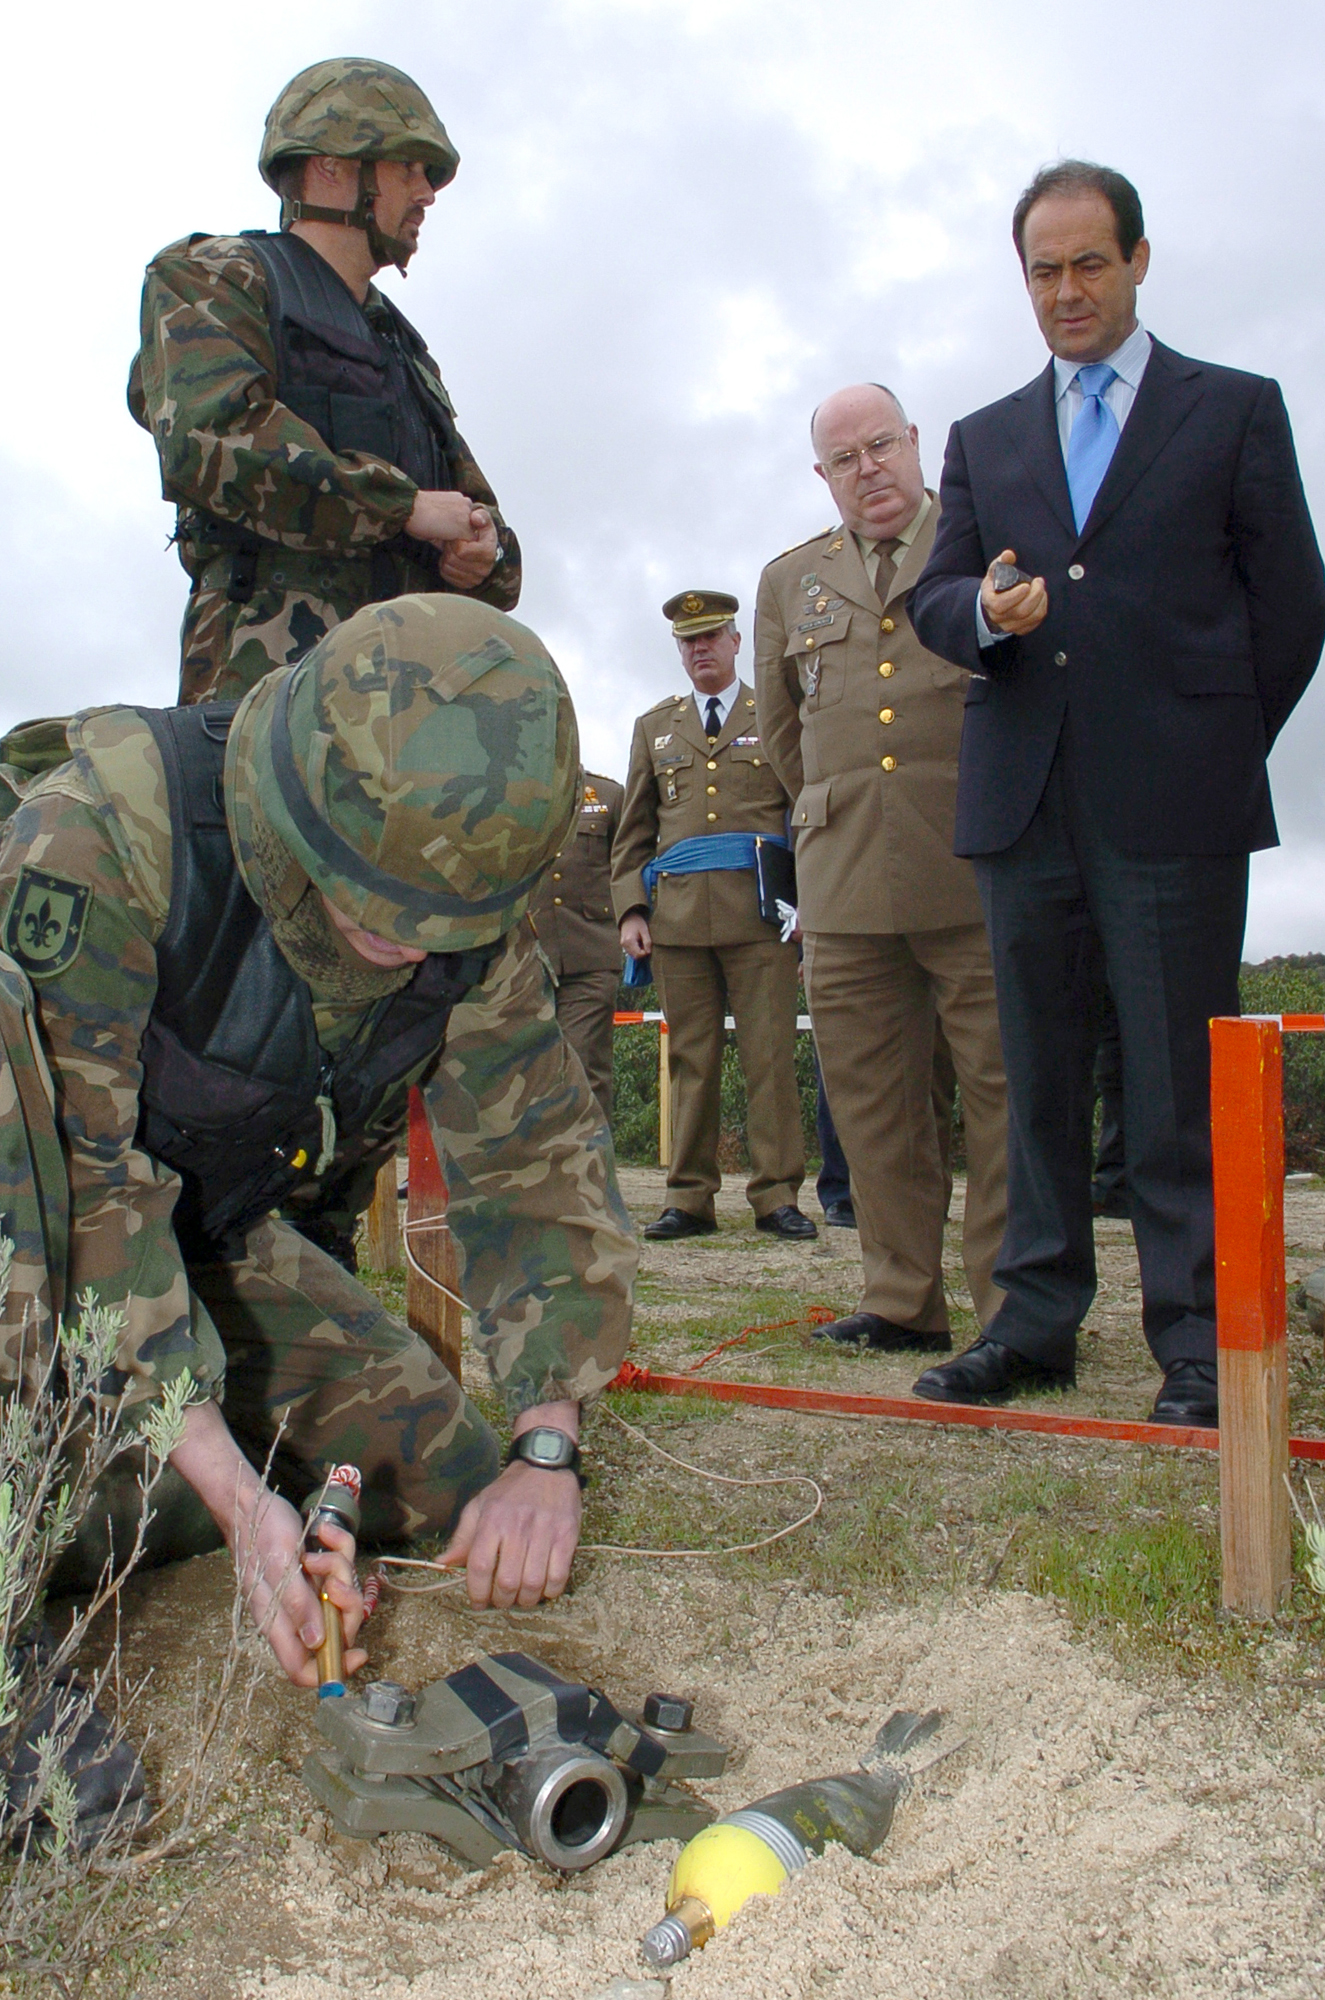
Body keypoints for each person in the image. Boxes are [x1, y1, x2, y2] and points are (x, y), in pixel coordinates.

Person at [0, 595, 636, 1832]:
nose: (411, 952)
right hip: (38, 1229)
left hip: (191, 1247)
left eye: (443, 929)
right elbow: (85, 1189)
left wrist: (546, 1445)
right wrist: (244, 1506)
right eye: (377, 912)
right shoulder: (106, 833)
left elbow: (533, 1154)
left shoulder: (458, 892)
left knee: (442, 1469)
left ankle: (76, 1498)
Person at [909, 160, 1325, 1424]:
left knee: (1174, 1082)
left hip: (1174, 808)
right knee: (1033, 1077)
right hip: (1021, 802)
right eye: (1042, 271)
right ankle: (1031, 1322)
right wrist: (982, 613)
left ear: (1137, 261)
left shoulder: (1233, 408)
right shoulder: (984, 436)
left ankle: (1195, 1340)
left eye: (1088, 263)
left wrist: (1210, 742)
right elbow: (933, 596)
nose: (1065, 291)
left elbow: (1291, 605)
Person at [128, 57, 520, 706]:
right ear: (332, 166)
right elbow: (211, 442)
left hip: (414, 701)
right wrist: (402, 508)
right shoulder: (214, 277)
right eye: (408, 167)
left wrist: (485, 550)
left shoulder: (400, 345)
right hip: (273, 691)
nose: (427, 193)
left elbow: (473, 513)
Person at [755, 386, 1008, 1351]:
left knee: (1005, 1099)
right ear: (822, 476)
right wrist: (839, 816)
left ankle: (1013, 1309)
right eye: (844, 459)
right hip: (846, 876)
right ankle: (901, 1301)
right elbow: (786, 737)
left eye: (881, 446)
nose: (868, 470)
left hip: (976, 864)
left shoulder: (980, 544)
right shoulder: (790, 581)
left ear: (914, 442)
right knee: (872, 1105)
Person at [613, 592, 815, 1241]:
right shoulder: (654, 727)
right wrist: (631, 910)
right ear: (679, 651)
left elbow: (803, 813)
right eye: (688, 641)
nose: (700, 649)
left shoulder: (775, 714)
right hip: (675, 920)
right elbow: (633, 832)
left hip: (762, 917)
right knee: (690, 1061)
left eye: (710, 636)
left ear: (735, 641)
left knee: (769, 1059)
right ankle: (688, 1198)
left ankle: (777, 1195)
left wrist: (809, 900)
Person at [530, 772, 625, 1121]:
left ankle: (590, 1156)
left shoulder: (608, 795)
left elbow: (629, 864)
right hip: (525, 956)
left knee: (583, 1068)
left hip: (590, 953)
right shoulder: (510, 796)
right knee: (527, 1075)